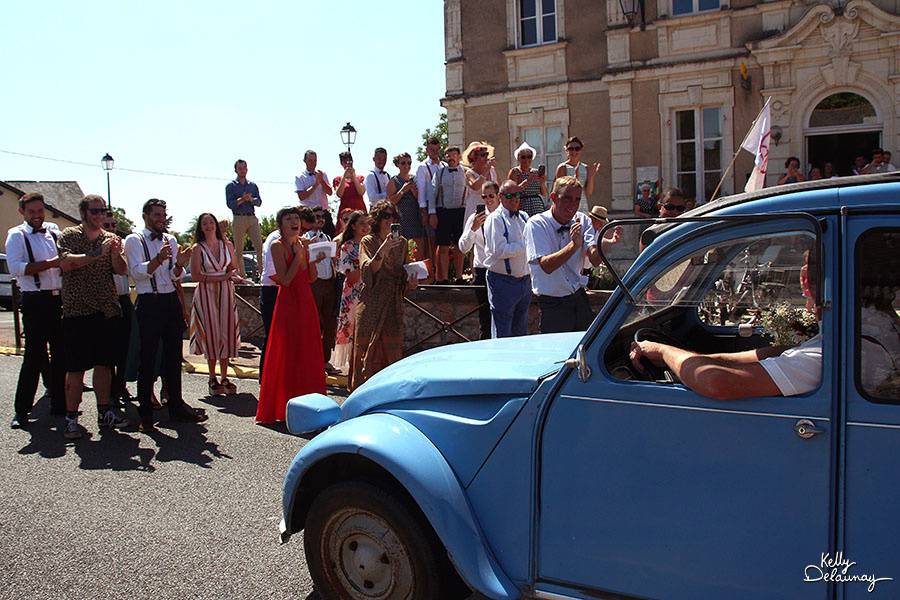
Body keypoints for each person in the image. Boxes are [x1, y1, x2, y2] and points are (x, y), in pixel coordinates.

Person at [630, 251, 823, 400]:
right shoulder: (828, 341)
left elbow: (717, 382)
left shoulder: (819, 355)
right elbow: (772, 355)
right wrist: (683, 359)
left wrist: (663, 351)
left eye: (805, 278)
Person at [125, 198, 207, 432]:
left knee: (173, 357)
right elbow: (137, 273)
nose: (161, 219)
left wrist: (180, 265)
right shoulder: (133, 240)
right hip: (149, 302)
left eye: (163, 215)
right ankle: (146, 414)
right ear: (146, 216)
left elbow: (174, 276)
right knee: (148, 358)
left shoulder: (170, 240)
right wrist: (158, 259)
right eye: (156, 215)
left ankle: (176, 406)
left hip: (169, 300)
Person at [57, 195, 130, 439]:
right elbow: (66, 263)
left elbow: (121, 270)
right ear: (84, 212)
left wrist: (117, 254)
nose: (100, 215)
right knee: (76, 369)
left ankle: (104, 411)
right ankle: (71, 417)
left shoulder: (110, 239)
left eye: (103, 211)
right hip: (77, 310)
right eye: (95, 211)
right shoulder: (70, 235)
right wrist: (96, 254)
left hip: (106, 309)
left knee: (104, 365)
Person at [256, 207, 326, 424]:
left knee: (307, 349)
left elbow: (311, 278)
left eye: (296, 218)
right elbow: (285, 280)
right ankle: (282, 404)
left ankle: (308, 403)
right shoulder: (277, 246)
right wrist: (298, 255)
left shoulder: (303, 243)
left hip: (305, 300)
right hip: (288, 302)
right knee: (287, 351)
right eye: (289, 219)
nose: (294, 221)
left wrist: (313, 259)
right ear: (281, 225)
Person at [524, 176, 619, 333]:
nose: (573, 205)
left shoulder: (583, 220)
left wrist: (604, 240)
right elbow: (546, 266)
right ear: (554, 198)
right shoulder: (536, 224)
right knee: (557, 352)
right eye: (567, 199)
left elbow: (594, 259)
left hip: (578, 297)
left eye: (577, 200)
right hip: (552, 302)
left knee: (588, 346)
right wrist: (573, 246)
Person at [7, 193, 66, 427]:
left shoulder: (53, 231)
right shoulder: (17, 235)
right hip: (35, 301)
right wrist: (51, 264)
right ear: (22, 212)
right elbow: (16, 268)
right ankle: (21, 412)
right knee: (33, 356)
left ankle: (60, 405)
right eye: (31, 212)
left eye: (40, 211)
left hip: (57, 300)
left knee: (61, 354)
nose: (37, 216)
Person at [349, 201, 418, 391]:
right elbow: (367, 271)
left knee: (391, 351)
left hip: (392, 302)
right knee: (366, 352)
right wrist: (384, 249)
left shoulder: (402, 243)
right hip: (371, 301)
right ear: (378, 219)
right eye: (386, 216)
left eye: (393, 217)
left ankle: (388, 395)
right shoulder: (368, 241)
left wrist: (411, 282)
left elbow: (403, 273)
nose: (390, 220)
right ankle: (361, 394)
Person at [189, 213, 241, 396]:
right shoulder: (197, 248)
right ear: (200, 227)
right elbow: (195, 276)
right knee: (211, 332)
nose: (209, 226)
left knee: (226, 332)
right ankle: (212, 377)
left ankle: (225, 376)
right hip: (206, 293)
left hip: (226, 291)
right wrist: (219, 277)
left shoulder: (227, 245)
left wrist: (230, 276)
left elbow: (232, 267)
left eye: (211, 222)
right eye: (205, 223)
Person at [483, 181, 531, 338]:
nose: (514, 199)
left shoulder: (523, 217)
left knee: (520, 334)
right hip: (503, 282)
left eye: (517, 195)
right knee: (502, 334)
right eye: (510, 196)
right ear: (501, 197)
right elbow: (499, 250)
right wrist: (524, 245)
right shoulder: (495, 219)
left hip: (524, 282)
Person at [459, 181, 501, 340]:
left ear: (498, 196)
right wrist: (473, 229)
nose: (488, 199)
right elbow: (463, 247)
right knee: (484, 316)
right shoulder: (475, 217)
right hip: (482, 270)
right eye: (484, 196)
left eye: (491, 196)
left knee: (501, 314)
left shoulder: (504, 216)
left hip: (501, 270)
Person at [333, 210, 371, 373]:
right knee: (352, 328)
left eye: (368, 223)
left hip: (370, 291)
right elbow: (352, 276)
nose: (366, 227)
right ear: (354, 226)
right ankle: (353, 365)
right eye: (362, 223)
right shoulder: (347, 246)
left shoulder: (372, 244)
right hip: (353, 293)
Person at [103, 211, 133, 405]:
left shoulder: (121, 246)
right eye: (108, 225)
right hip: (106, 302)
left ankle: (120, 386)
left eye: (114, 225)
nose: (112, 229)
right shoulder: (98, 248)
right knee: (108, 351)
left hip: (124, 299)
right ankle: (109, 392)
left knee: (125, 347)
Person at [305, 207, 339, 375]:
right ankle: (313, 360)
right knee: (315, 324)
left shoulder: (327, 237)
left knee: (329, 324)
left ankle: (325, 360)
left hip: (328, 283)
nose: (320, 220)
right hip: (314, 283)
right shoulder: (305, 239)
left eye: (322, 217)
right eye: (316, 217)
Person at [428, 146, 467, 284]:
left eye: (454, 155)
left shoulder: (466, 172)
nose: (451, 158)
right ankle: (443, 278)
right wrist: (432, 213)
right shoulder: (439, 173)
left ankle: (459, 277)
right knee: (443, 246)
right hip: (443, 211)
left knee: (459, 246)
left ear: (459, 156)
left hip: (460, 212)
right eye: (448, 155)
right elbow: (432, 193)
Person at [225, 159, 263, 279]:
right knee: (239, 249)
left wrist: (251, 199)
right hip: (238, 218)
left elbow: (259, 202)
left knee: (259, 247)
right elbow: (230, 204)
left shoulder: (252, 185)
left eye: (244, 168)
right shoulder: (230, 186)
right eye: (240, 168)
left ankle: (263, 275)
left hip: (252, 217)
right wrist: (242, 199)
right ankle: (243, 277)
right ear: (236, 170)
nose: (243, 170)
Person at [386, 152, 425, 260]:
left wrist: (414, 191)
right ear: (397, 164)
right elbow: (391, 202)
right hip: (400, 219)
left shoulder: (415, 179)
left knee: (418, 248)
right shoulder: (393, 181)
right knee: (400, 250)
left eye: (409, 163)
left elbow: (421, 199)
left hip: (415, 217)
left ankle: (418, 273)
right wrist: (403, 190)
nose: (406, 166)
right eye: (403, 163)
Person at [415, 137, 444, 272]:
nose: (434, 152)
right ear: (427, 149)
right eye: (432, 150)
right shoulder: (422, 167)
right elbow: (421, 191)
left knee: (441, 242)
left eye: (437, 149)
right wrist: (424, 212)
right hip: (428, 207)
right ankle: (430, 272)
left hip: (442, 206)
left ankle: (440, 272)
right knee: (430, 242)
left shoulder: (443, 165)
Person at [554, 136, 601, 211]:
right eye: (570, 149)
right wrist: (575, 179)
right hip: (567, 205)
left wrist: (591, 177)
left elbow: (588, 192)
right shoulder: (562, 167)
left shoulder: (586, 168)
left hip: (582, 205)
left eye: (577, 148)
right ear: (566, 150)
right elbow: (558, 190)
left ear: (581, 150)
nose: (574, 151)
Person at [508, 142, 548, 220]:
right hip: (522, 204)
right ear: (518, 158)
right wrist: (527, 181)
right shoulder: (515, 172)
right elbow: (512, 192)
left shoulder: (536, 172)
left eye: (529, 157)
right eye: (523, 157)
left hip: (537, 205)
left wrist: (542, 183)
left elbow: (544, 193)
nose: (526, 160)